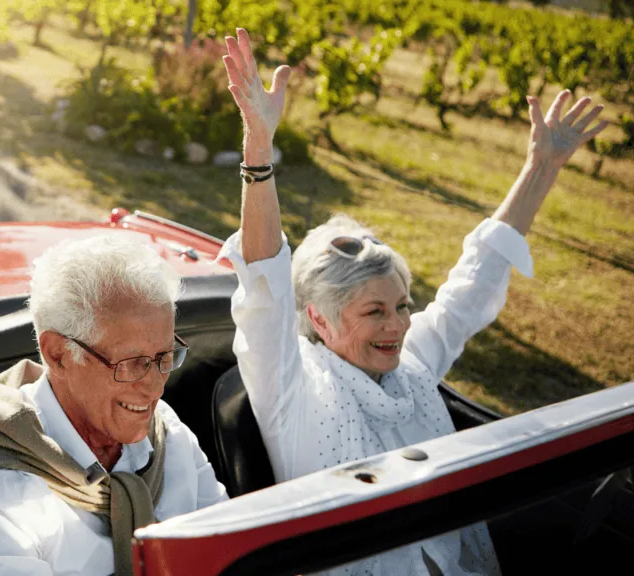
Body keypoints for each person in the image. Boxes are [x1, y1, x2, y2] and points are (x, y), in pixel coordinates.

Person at [218, 28, 609, 576]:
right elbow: (263, 285)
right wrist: (258, 149)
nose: (398, 326)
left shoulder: (410, 364)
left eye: (402, 306)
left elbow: (474, 279)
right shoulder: (290, 388)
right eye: (374, 311)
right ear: (318, 319)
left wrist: (541, 166)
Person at [0, 235, 228, 576]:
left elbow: (233, 553)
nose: (154, 386)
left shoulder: (167, 433)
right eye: (131, 363)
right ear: (58, 355)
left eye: (164, 357)